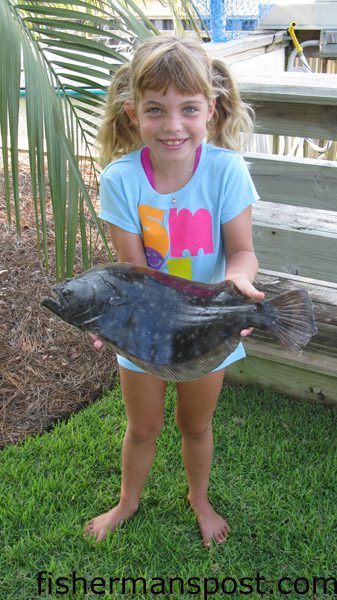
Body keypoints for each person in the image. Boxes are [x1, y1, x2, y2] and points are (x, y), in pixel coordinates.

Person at [84, 34, 264, 547]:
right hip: (146, 331)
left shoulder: (226, 170)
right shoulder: (120, 180)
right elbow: (133, 274)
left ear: (211, 107)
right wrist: (113, 323)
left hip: (209, 329)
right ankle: (128, 501)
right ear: (132, 111)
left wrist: (238, 283)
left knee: (196, 424)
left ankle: (199, 498)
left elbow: (241, 251)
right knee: (142, 428)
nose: (173, 125)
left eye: (188, 108)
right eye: (156, 109)